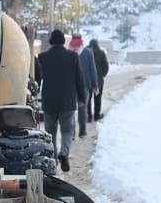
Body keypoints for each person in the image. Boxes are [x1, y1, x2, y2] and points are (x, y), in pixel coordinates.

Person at [34, 29, 86, 173]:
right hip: (68, 101)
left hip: (49, 101)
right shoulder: (73, 56)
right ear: (64, 41)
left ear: (51, 41)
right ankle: (64, 153)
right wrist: (81, 98)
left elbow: (38, 78)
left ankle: (53, 160)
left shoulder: (42, 57)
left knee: (50, 132)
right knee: (67, 130)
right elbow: (79, 79)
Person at [75, 33, 99, 137]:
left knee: (71, 110)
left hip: (72, 86)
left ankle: (71, 134)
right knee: (82, 108)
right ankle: (82, 131)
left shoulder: (69, 51)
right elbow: (92, 69)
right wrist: (95, 86)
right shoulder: (88, 52)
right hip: (84, 85)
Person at [89, 39, 110, 120]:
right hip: (99, 81)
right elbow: (106, 66)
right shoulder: (101, 53)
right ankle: (96, 115)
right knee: (97, 99)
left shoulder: (86, 52)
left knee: (88, 99)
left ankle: (89, 116)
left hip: (89, 80)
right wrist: (102, 75)